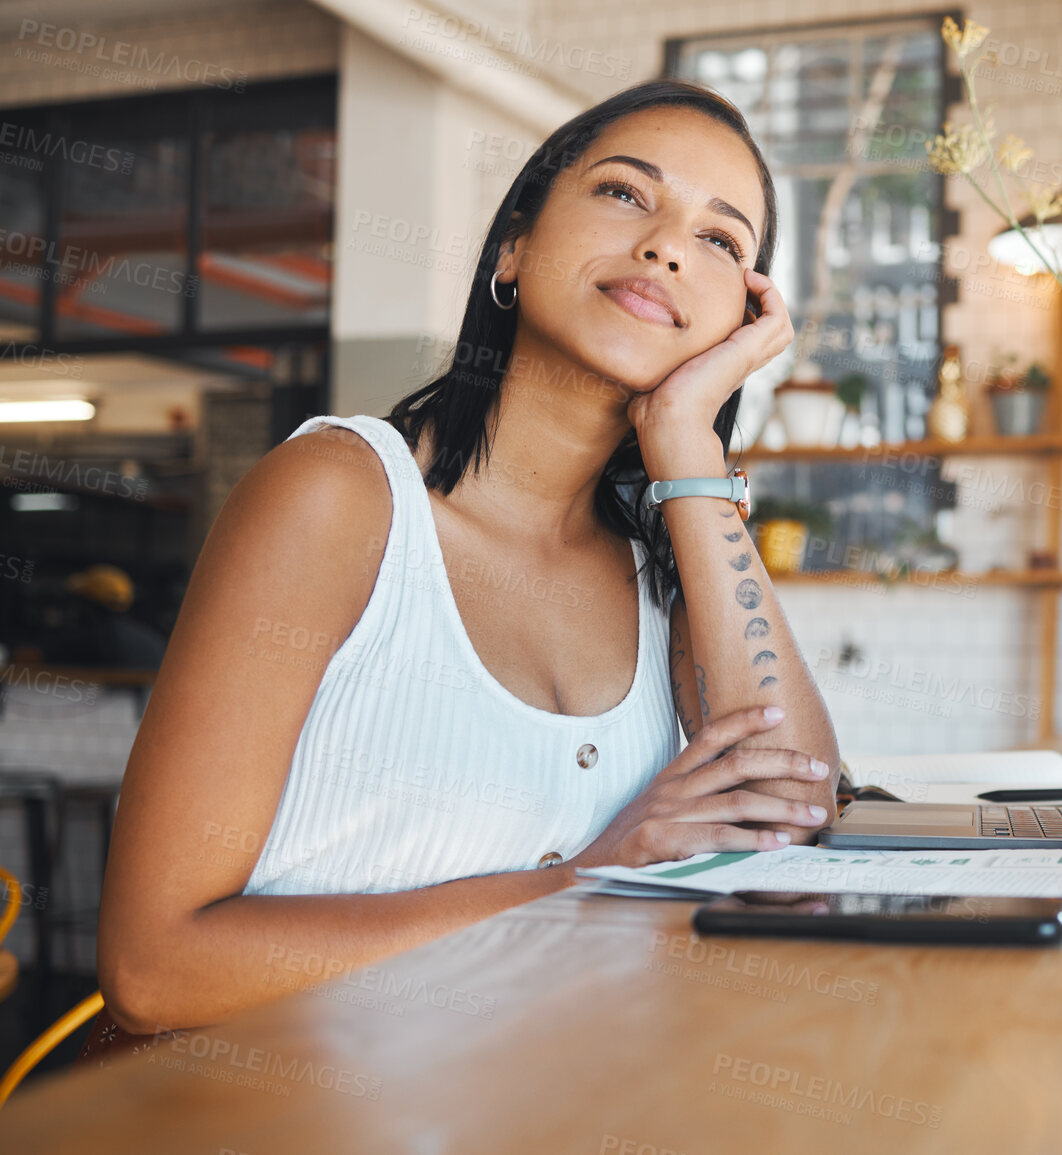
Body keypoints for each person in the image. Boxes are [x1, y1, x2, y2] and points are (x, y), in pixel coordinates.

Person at [91, 78, 841, 1041]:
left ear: (741, 321)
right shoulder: (336, 497)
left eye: (721, 241)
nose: (664, 245)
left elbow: (794, 805)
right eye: (624, 193)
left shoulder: (669, 567)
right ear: (514, 245)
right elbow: (153, 968)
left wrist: (687, 444)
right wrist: (579, 885)